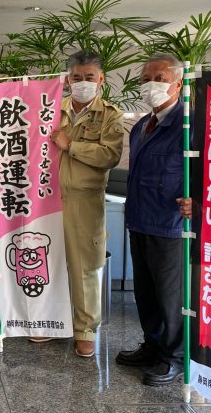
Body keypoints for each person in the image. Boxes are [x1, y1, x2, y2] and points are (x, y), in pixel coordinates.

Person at [37, 51, 123, 357]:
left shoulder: (109, 114)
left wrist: (71, 145)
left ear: (101, 79)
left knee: (84, 265)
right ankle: (47, 320)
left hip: (83, 200)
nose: (83, 82)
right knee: (46, 259)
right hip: (45, 197)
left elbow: (109, 155)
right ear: (67, 80)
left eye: (89, 77)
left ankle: (84, 329)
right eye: (77, 77)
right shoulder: (50, 108)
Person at [117, 53, 186, 386]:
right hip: (140, 220)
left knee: (170, 297)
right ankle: (153, 346)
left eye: (160, 79)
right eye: (146, 79)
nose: (151, 85)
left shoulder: (188, 125)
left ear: (178, 84)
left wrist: (199, 202)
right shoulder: (142, 126)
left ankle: (175, 357)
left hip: (170, 225)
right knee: (145, 293)